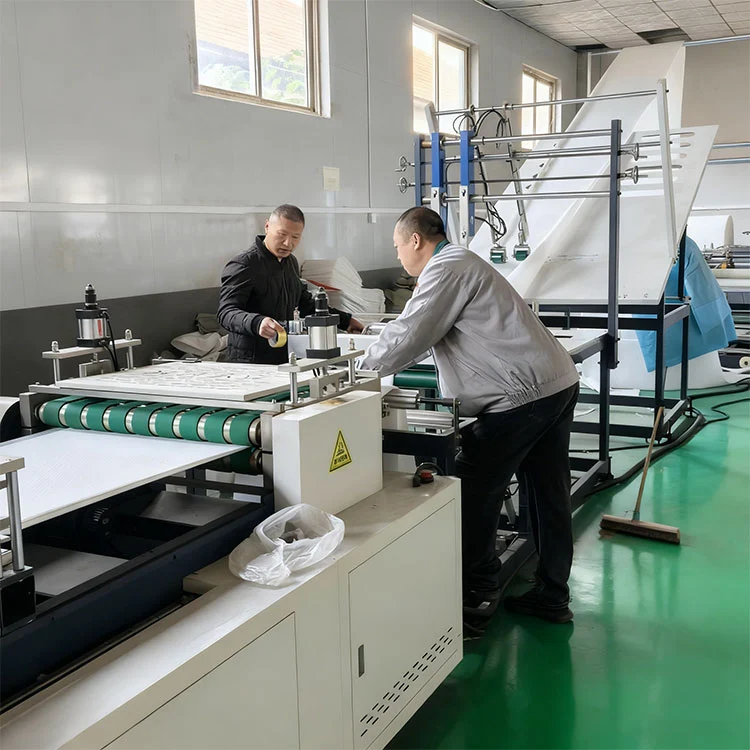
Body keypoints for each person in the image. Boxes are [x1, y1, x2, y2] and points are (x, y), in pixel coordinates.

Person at [357, 207, 580, 629]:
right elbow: (429, 332)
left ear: (416, 240)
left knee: (472, 489)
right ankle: (553, 594)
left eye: (398, 246)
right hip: (555, 384)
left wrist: (353, 375)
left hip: (522, 398)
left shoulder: (446, 268)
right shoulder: (460, 263)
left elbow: (411, 332)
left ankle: (475, 600)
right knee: (549, 492)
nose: (398, 256)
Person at [218, 204, 363, 365]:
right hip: (250, 361)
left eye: (295, 237)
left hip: (285, 355)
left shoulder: (291, 263)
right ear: (267, 226)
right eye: (282, 234)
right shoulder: (245, 264)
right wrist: (257, 322)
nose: (288, 243)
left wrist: (345, 321)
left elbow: (305, 304)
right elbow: (226, 312)